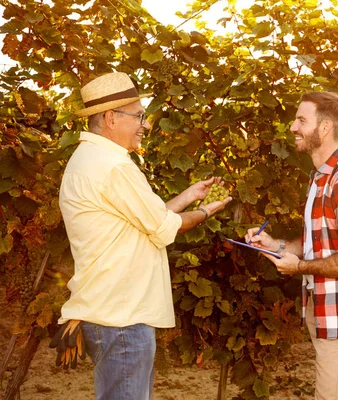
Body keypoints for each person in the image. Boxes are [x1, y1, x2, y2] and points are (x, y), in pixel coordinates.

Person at [53, 71, 232, 399]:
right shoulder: (113, 166)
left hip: (111, 315)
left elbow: (146, 218)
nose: (145, 125)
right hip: (121, 318)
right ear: (110, 117)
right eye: (138, 116)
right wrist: (206, 212)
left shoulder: (89, 160)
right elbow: (164, 228)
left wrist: (188, 196)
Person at [244, 91, 338, 399]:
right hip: (326, 306)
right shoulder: (321, 177)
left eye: (301, 120)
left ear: (324, 129)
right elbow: (317, 244)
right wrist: (277, 244)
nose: (293, 127)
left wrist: (299, 268)